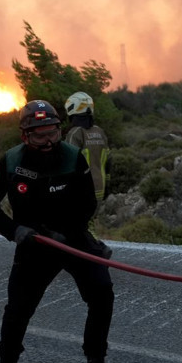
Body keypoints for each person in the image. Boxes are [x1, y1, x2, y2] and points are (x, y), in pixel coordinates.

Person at [0, 100, 122, 363]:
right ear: (25, 136)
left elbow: (88, 203)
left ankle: (96, 362)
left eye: (53, 133)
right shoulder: (11, 161)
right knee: (18, 307)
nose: (48, 141)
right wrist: (15, 230)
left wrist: (67, 233)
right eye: (40, 135)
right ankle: (7, 362)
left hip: (72, 239)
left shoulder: (73, 157)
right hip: (32, 245)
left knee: (101, 292)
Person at [64, 91, 113, 259]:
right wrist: (107, 184)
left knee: (78, 224)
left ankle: (97, 251)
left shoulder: (75, 133)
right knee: (89, 222)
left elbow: (67, 163)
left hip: (82, 189)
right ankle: (87, 253)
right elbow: (109, 160)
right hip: (99, 187)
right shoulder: (100, 132)